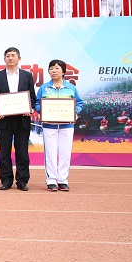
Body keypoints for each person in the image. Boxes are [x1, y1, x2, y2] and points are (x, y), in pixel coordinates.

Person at [0, 47, 37, 191]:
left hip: (22, 119)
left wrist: (29, 108)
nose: (10, 58)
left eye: (13, 55)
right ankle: (6, 180)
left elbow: (32, 96)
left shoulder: (27, 75)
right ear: (4, 59)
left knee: (22, 152)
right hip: (4, 119)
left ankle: (22, 180)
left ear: (19, 58)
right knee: (4, 152)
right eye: (7, 56)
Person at [35, 60, 83, 192]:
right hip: (49, 125)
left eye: (57, 68)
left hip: (66, 125)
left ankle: (62, 180)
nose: (53, 71)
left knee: (65, 152)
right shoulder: (44, 88)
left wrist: (75, 113)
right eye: (51, 68)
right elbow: (37, 103)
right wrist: (42, 111)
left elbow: (79, 103)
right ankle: (51, 180)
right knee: (50, 153)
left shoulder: (71, 88)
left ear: (63, 71)